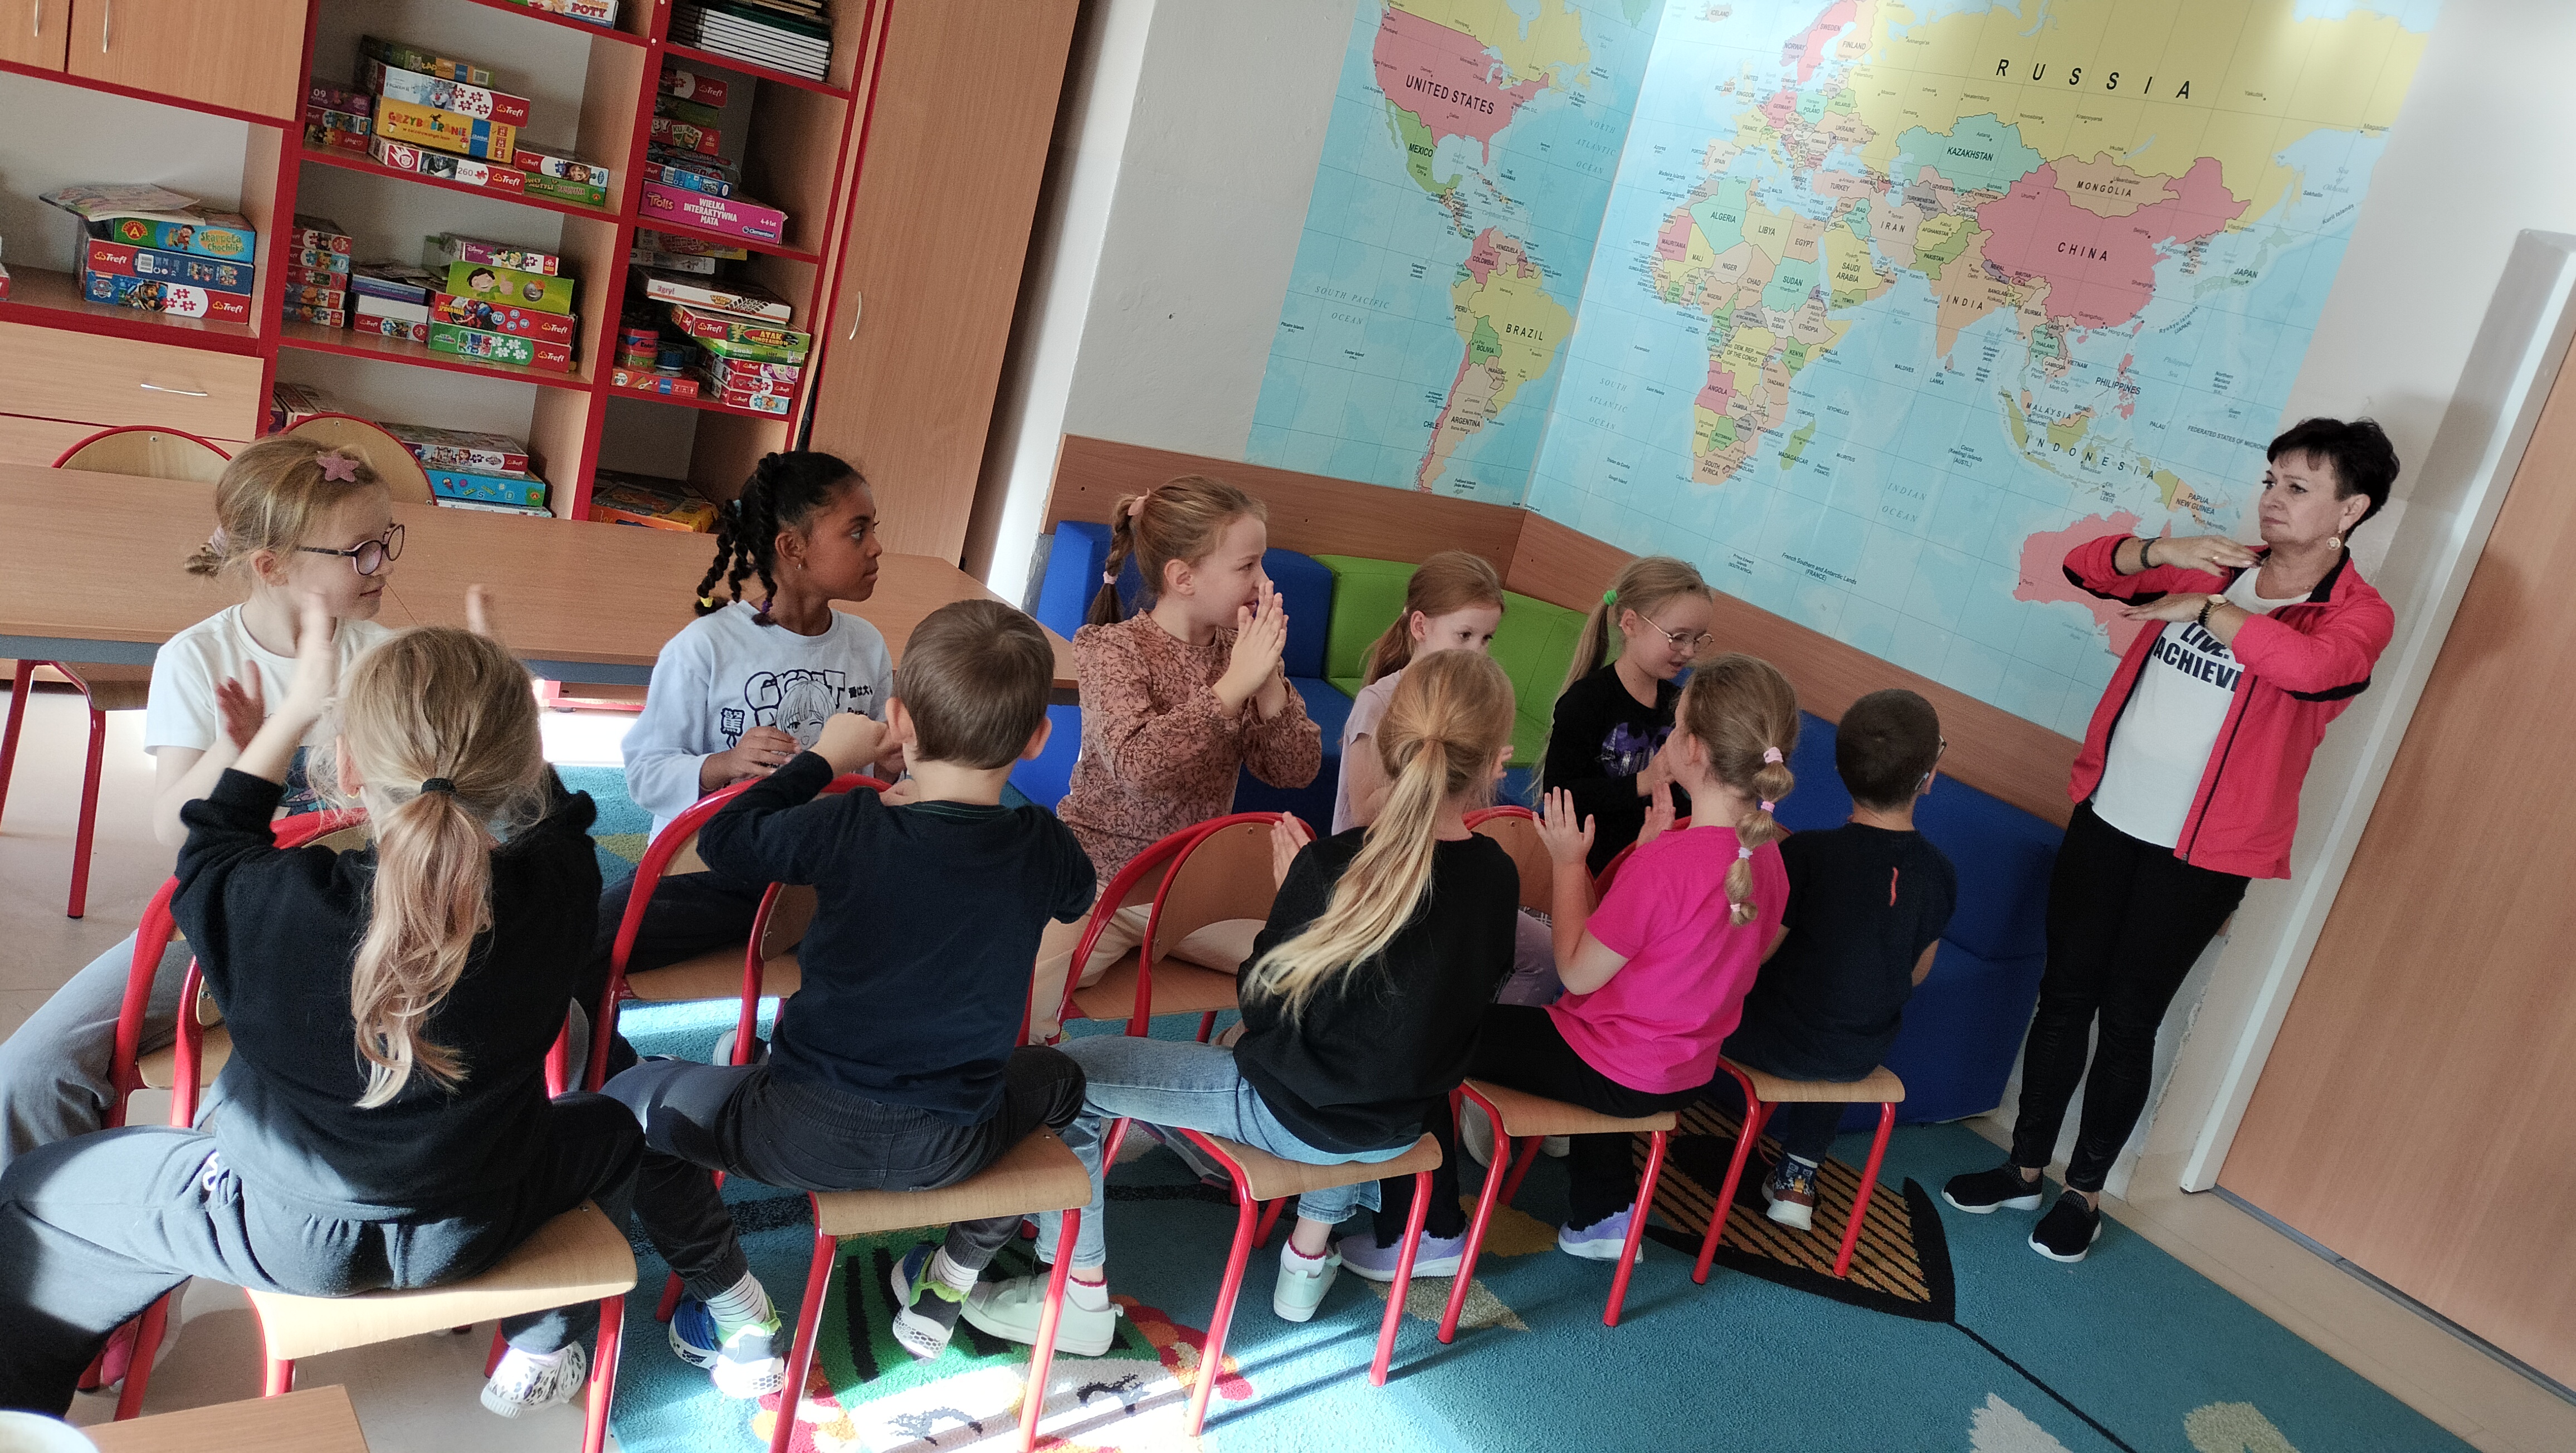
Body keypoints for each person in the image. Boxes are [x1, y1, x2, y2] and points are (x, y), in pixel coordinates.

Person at [0, 602, 641, 1418]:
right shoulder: (561, 892)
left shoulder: (272, 904)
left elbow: (208, 842)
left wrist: (289, 715)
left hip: (282, 1234)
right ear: (519, 769)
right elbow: (565, 821)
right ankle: (546, 1340)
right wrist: (496, 709)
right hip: (472, 1224)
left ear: (345, 767)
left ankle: (24, 1417)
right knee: (613, 1128)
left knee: (33, 1192)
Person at [604, 601, 1095, 1418]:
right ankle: (950, 1281)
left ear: (898, 722)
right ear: (1039, 738)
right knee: (1063, 1083)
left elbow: (723, 839)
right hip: (952, 1143)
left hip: (796, 1130)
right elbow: (1077, 895)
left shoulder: (847, 823)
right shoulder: (1045, 845)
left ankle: (738, 1312)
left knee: (627, 1104)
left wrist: (823, 759)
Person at [965, 651, 1521, 1348]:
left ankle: (1077, 1290)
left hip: (1293, 1116)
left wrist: (1295, 895)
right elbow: (1438, 1008)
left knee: (1065, 1077)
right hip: (1402, 1125)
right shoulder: (1498, 875)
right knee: (1349, 1061)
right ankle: (1305, 1261)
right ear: (1497, 761)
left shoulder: (1331, 865)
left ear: (1387, 744)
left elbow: (1261, 1005)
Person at [1944, 418, 2401, 1262]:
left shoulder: (2358, 616)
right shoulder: (2215, 561)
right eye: (2270, 481)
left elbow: (2309, 672)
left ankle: (2083, 1195)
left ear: (2351, 510)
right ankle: (2022, 1168)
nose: (2272, 499)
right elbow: (2086, 566)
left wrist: (2212, 610)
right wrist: (2163, 550)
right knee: (2064, 995)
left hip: (2203, 857)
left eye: (2298, 487)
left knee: (2129, 1019)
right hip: (2109, 815)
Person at [0, 437, 398, 1177]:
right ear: (271, 567)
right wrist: (239, 750)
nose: (383, 566)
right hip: (227, 927)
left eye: (386, 542)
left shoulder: (388, 657)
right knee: (30, 1073)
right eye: (359, 552)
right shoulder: (198, 657)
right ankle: (41, 1232)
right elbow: (170, 826)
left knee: (541, 1013)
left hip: (357, 929)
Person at [1368, 653, 1799, 1268]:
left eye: (1676, 726)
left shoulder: (1669, 866)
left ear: (1695, 750)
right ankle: (1604, 1212)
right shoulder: (1767, 860)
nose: (1670, 736)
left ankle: (1429, 1228)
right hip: (1683, 1074)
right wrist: (1645, 853)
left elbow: (1575, 969)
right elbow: (1669, 956)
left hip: (1613, 1067)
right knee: (1601, 1032)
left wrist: (1569, 863)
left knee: (1425, 1035)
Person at [584, 451, 900, 1083]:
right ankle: (615, 1080)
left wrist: (892, 766)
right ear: (793, 547)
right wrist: (720, 764)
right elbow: (646, 774)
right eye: (857, 531)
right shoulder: (706, 647)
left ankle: (798, 1070)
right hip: (710, 874)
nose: (876, 547)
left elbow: (881, 779)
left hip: (822, 879)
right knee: (573, 942)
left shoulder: (865, 645)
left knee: (915, 933)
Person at [1031, 475, 1322, 1038]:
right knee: (1019, 987)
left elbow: (1295, 769)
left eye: (1262, 564)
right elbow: (1139, 768)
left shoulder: (1241, 654)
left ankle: (1237, 1061)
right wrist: (1232, 688)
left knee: (1315, 973)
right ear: (1183, 578)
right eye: (1247, 566)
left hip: (1195, 890)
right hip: (1100, 882)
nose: (1264, 581)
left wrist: (1268, 684)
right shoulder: (1111, 648)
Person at [1721, 689, 1955, 1230]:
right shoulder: (1940, 873)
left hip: (1765, 1040)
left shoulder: (1806, 854)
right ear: (1929, 777)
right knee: (1844, 1025)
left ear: (1840, 771)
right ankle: (1797, 1180)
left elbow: (1755, 955)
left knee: (1775, 1008)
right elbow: (1917, 973)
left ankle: (1632, 1100)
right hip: (1857, 1056)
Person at [1540, 555, 1716, 875]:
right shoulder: (1587, 700)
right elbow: (1559, 796)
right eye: (1678, 637)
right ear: (1631, 624)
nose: (1689, 651)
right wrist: (1642, 782)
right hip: (1587, 869)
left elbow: (1677, 797)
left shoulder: (1678, 705)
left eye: (1697, 639)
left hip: (1650, 867)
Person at [1333, 549, 1504, 833]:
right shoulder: (1376, 702)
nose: (1477, 652)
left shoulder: (1468, 706)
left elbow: (1461, 814)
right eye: (1464, 635)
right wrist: (1440, 778)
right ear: (1420, 626)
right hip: (1367, 854)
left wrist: (1477, 782)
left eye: (1486, 638)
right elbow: (1363, 813)